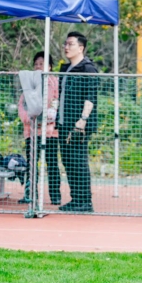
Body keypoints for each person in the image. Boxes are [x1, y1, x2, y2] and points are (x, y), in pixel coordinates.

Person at [56, 31, 98, 213]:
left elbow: (91, 96)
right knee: (68, 161)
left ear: (81, 47)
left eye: (70, 44)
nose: (66, 47)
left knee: (78, 161)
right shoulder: (64, 68)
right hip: (63, 122)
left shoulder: (88, 68)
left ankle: (85, 201)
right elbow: (60, 94)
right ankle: (76, 198)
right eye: (65, 44)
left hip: (79, 125)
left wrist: (83, 120)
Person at [17, 51, 61, 205]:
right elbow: (22, 105)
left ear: (49, 66)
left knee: (52, 163)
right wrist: (29, 119)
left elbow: (56, 102)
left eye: (41, 64)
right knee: (31, 164)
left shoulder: (55, 82)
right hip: (32, 131)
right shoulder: (28, 83)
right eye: (36, 64)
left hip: (49, 132)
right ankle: (30, 193)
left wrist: (49, 118)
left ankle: (55, 194)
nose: (38, 66)